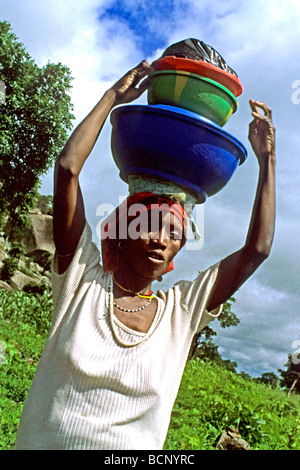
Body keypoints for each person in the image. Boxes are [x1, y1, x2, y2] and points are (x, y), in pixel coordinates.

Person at [14, 60, 276, 450]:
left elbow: (257, 249)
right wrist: (113, 98)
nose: (160, 239)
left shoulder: (181, 313)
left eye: (174, 232)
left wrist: (267, 158)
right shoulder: (81, 282)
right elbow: (68, 169)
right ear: (122, 230)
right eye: (148, 225)